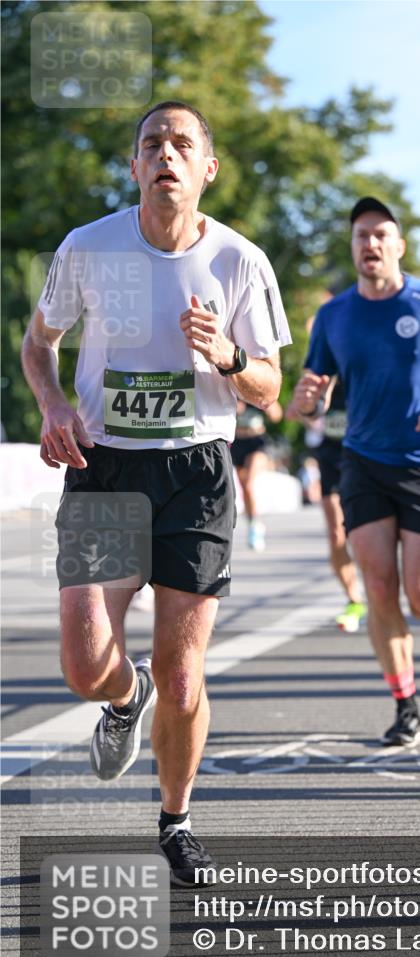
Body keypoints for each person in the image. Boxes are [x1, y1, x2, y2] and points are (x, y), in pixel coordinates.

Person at [21, 101, 291, 885]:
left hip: (195, 475)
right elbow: (41, 344)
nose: (165, 154)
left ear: (207, 168)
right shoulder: (88, 247)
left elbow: (269, 388)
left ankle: (175, 821)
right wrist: (54, 406)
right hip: (104, 467)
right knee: (83, 665)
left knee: (185, 675)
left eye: (182, 144)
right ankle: (122, 694)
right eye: (150, 145)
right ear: (135, 168)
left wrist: (230, 357)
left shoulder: (242, 261)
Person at [293, 196, 420, 748]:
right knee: (378, 589)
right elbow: (314, 397)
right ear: (352, 248)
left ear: (398, 245)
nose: (370, 244)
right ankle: (406, 706)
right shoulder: (334, 316)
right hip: (363, 463)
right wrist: (306, 401)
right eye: (360, 237)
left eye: (380, 235)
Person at [288, 374, 367, 633]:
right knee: (336, 533)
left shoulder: (362, 362)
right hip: (331, 456)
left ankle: (378, 588)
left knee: (364, 532)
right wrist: (309, 409)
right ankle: (354, 600)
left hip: (364, 455)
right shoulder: (321, 370)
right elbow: (294, 411)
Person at [231, 398, 283, 551]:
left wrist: (264, 403)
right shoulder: (232, 389)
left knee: (248, 482)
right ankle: (254, 522)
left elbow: (277, 415)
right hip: (237, 443)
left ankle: (255, 528)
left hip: (257, 443)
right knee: (244, 488)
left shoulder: (254, 390)